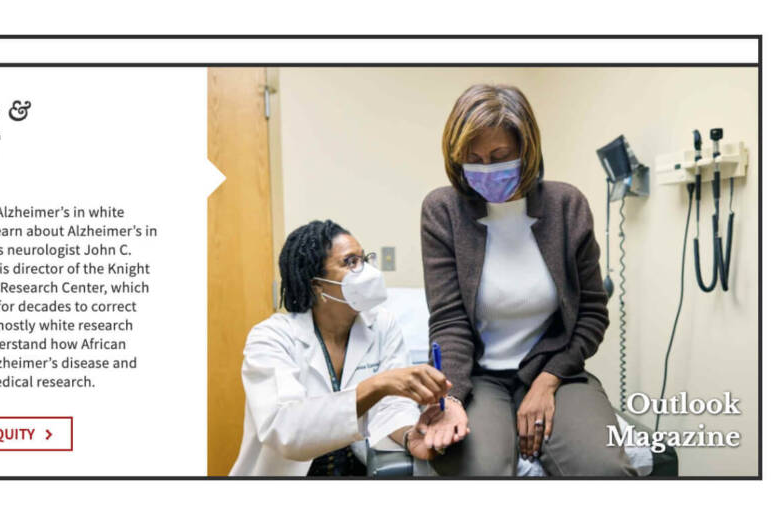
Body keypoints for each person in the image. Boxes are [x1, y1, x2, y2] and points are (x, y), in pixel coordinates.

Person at [418, 84, 636, 476]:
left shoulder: (566, 206)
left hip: (556, 368)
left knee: (604, 468)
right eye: (474, 159)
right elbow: (449, 321)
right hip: (479, 377)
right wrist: (449, 398)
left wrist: (548, 382)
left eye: (499, 157)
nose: (486, 169)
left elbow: (591, 314)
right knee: (477, 472)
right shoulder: (443, 210)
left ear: (526, 150)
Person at [230, 220, 450, 476]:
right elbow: (285, 430)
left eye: (364, 259)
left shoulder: (381, 324)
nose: (366, 270)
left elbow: (393, 407)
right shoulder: (272, 338)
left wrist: (410, 435)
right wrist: (377, 385)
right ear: (317, 285)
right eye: (350, 262)